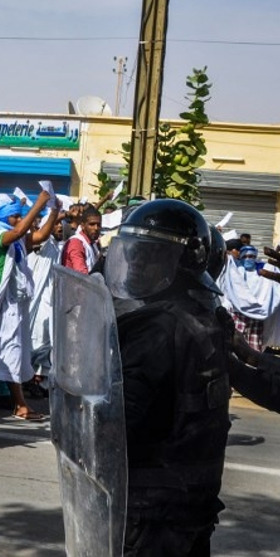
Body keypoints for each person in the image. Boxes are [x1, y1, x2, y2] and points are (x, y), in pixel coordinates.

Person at [104, 199, 231, 555]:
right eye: (135, 252)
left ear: (184, 262)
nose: (137, 263)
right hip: (192, 505)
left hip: (152, 512)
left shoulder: (155, 330)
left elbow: (119, 427)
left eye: (153, 254)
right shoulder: (205, 319)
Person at [0, 193, 57, 420]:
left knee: (11, 351)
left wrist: (54, 212)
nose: (19, 219)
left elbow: (39, 236)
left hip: (12, 304)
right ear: (4, 217)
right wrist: (39, 203)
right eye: (15, 216)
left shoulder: (16, 242)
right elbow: (21, 232)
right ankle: (18, 404)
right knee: (8, 350)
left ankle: (9, 398)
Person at [218, 244, 280, 351]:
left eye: (251, 256)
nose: (248, 259)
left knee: (254, 347)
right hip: (238, 316)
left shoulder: (262, 270)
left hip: (257, 319)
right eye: (245, 257)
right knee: (233, 345)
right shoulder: (235, 270)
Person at [60, 205, 101, 274]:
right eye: (92, 224)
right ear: (82, 225)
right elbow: (82, 275)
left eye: (98, 225)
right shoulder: (76, 243)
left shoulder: (92, 244)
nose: (96, 228)